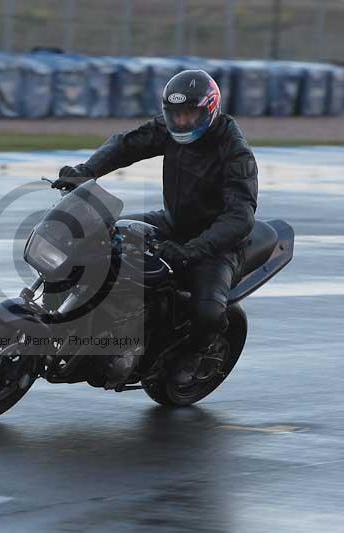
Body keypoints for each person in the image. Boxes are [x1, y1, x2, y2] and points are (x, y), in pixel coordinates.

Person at [52, 69, 258, 386]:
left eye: (190, 114)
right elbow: (127, 146)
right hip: (172, 221)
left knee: (206, 312)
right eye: (175, 114)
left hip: (216, 245)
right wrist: (85, 171)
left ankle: (193, 354)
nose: (182, 122)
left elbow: (239, 218)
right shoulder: (170, 128)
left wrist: (193, 250)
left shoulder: (234, 153)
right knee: (99, 235)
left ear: (210, 110)